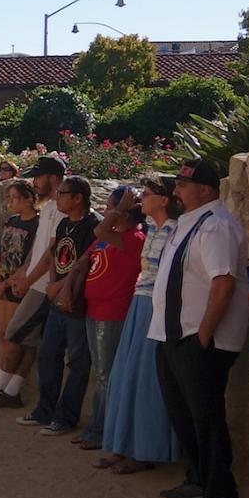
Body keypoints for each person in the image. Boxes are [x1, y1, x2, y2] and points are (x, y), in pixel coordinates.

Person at [149, 159, 249, 498]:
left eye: (182, 184)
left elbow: (222, 283)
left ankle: (222, 492)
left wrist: (202, 336)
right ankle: (198, 477)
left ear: (205, 190)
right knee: (182, 412)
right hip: (173, 335)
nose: (176, 190)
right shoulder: (190, 224)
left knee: (206, 416)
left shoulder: (216, 226)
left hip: (198, 340)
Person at [97, 175, 183, 475]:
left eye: (147, 195)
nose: (141, 199)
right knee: (126, 376)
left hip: (156, 307)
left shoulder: (177, 232)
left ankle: (145, 451)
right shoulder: (150, 230)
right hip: (140, 303)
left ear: (164, 200)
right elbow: (101, 231)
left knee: (146, 380)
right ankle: (122, 445)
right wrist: (120, 209)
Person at [0, 157, 66, 409]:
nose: (35, 182)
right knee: (25, 338)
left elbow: (51, 253)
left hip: (43, 285)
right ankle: (9, 390)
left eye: (39, 177)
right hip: (32, 282)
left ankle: (1, 389)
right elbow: (37, 251)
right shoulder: (48, 208)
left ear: (53, 178)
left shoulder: (58, 210)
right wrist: (23, 275)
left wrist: (27, 280)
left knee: (14, 335)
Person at [20, 177, 98, 436]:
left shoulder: (92, 225)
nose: (58, 197)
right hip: (57, 299)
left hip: (77, 301)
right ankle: (45, 410)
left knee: (77, 361)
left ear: (78, 198)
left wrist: (62, 286)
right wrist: (53, 284)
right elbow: (56, 255)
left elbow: (86, 264)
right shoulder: (65, 223)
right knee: (48, 354)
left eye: (64, 194)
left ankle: (65, 418)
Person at [72, 187, 144, 450]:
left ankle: (101, 431)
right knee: (100, 373)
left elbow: (99, 231)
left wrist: (120, 209)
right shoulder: (112, 236)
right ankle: (96, 428)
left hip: (112, 314)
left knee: (106, 375)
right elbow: (87, 255)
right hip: (93, 310)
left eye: (112, 207)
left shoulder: (134, 238)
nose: (106, 212)